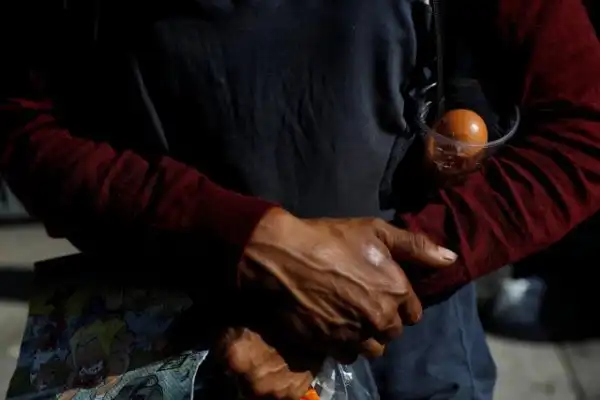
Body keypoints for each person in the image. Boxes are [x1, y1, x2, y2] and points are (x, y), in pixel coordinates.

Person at [2, 0, 600, 398]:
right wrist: (247, 241)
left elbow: (583, 130)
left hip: (407, 339)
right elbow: (24, 124)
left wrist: (369, 286)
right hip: (174, 342)